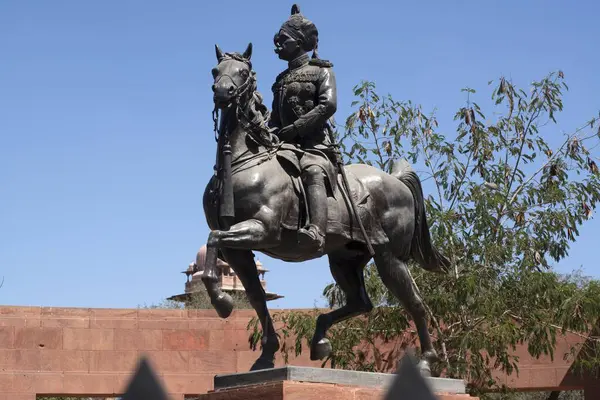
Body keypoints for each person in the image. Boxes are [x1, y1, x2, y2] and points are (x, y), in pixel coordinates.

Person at [268, 4, 337, 252]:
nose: (276, 45)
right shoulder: (279, 81)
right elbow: (275, 119)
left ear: (298, 42)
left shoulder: (321, 71)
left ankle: (316, 230)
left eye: (282, 40)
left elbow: (328, 106)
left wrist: (297, 128)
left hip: (314, 145)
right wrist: (271, 132)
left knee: (312, 170)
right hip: (284, 145)